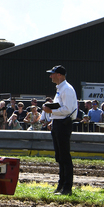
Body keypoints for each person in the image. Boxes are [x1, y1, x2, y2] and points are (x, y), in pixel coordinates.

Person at [42, 65, 78, 196]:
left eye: (53, 74)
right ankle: (61, 184)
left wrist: (51, 111)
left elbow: (68, 110)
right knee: (60, 156)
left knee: (64, 156)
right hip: (58, 123)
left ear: (59, 75)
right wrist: (53, 119)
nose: (50, 76)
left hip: (63, 124)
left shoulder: (66, 89)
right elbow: (62, 108)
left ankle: (67, 187)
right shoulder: (61, 89)